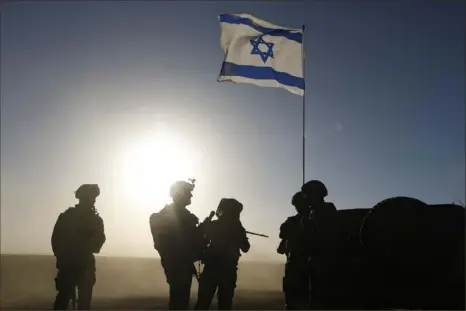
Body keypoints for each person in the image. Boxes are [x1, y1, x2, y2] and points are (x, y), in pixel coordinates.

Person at [149, 180, 204, 310]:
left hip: (182, 264)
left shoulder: (185, 216)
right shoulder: (167, 216)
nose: (191, 196)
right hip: (177, 265)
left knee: (181, 301)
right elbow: (167, 243)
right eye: (188, 193)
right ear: (180, 194)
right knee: (179, 302)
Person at [51, 184, 106, 310]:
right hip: (69, 263)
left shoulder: (96, 220)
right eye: (90, 197)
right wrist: (62, 258)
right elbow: (56, 240)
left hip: (84, 264)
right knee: (63, 299)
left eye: (93, 197)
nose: (93, 200)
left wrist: (88, 240)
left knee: (84, 302)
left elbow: (98, 244)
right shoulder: (68, 216)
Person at [195, 198, 250, 310]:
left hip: (212, 269)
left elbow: (200, 241)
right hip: (227, 271)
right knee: (224, 304)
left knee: (203, 303)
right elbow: (245, 247)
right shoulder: (236, 228)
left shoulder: (214, 225)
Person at [301, 180, 339, 309]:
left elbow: (324, 234)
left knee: (322, 300)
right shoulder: (312, 212)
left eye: (307, 194)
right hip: (316, 260)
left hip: (324, 260)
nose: (305, 198)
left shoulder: (326, 209)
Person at [277, 191, 312, 310]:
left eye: (299, 205)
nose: (297, 208)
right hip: (294, 268)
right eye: (296, 205)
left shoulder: (314, 220)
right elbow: (282, 240)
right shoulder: (292, 221)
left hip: (308, 268)